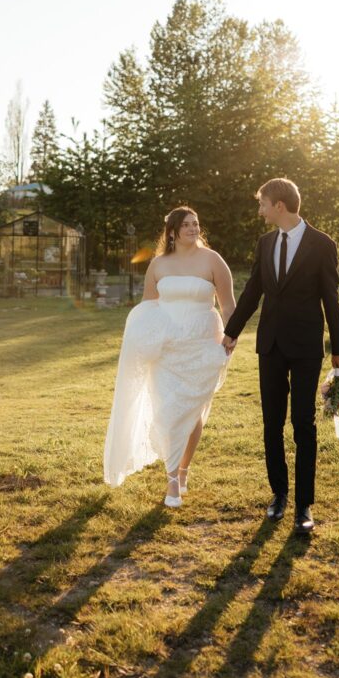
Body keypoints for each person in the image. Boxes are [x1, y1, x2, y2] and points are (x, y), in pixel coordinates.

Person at [222, 178, 339, 533]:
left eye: (262, 204)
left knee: (303, 423)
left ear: (279, 205)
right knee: (272, 423)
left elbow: (331, 299)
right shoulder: (265, 243)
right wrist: (232, 331)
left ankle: (304, 505)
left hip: (306, 347)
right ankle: (279, 495)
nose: (260, 210)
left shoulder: (322, 244)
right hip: (271, 345)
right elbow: (253, 291)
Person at [104, 207, 236, 507]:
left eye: (196, 224)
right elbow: (148, 307)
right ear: (173, 231)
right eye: (186, 225)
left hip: (203, 344)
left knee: (193, 411)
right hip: (167, 348)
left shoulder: (213, 260)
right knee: (168, 411)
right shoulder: (158, 264)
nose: (193, 228)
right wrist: (142, 342)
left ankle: (183, 468)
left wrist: (232, 334)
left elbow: (228, 305)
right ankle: (172, 478)